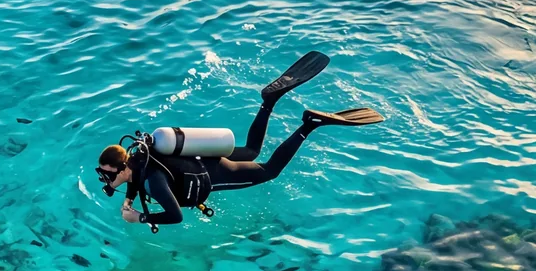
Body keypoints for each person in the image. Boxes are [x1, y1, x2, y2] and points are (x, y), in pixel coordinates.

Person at [96, 51, 382, 228]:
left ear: (120, 168)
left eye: (106, 174)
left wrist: (140, 218)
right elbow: (132, 177)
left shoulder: (153, 181)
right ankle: (269, 101)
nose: (104, 179)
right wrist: (129, 199)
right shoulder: (140, 157)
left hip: (216, 173)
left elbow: (175, 216)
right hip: (203, 158)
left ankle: (309, 126)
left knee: (270, 171)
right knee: (252, 149)